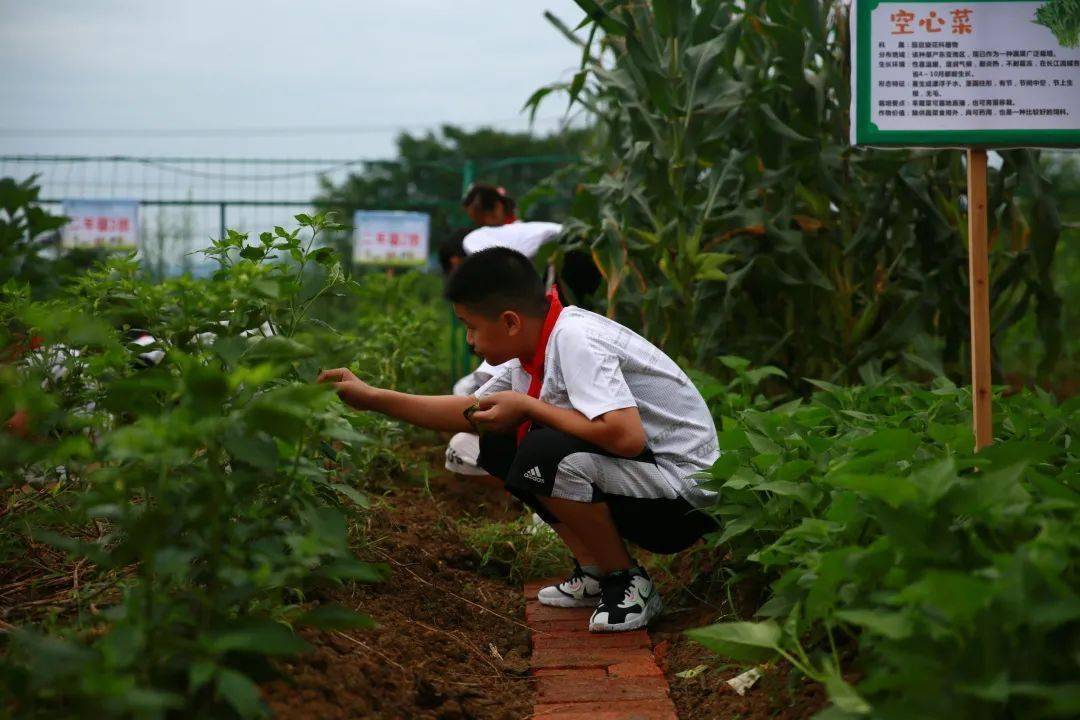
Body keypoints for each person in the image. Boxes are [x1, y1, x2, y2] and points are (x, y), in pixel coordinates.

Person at [317, 247, 719, 632]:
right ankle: (595, 571)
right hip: (646, 479)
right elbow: (471, 410)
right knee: (498, 441)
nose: (470, 340)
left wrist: (528, 409)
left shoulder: (575, 339)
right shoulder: (534, 350)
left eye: (472, 327)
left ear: (510, 321)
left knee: (543, 455)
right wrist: (372, 397)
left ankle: (628, 582)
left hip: (683, 496)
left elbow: (626, 437)